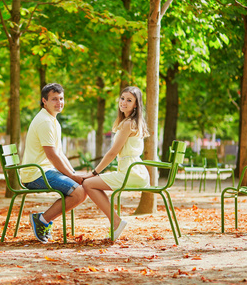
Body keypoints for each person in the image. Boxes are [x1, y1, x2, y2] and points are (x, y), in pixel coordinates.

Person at [20, 83, 87, 243]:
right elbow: (52, 155)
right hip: (35, 174)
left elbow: (59, 153)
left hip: (45, 171)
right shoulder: (45, 122)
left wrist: (74, 174)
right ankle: (41, 220)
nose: (59, 102)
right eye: (54, 99)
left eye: (61, 98)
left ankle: (42, 219)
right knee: (78, 193)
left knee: (81, 190)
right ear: (44, 101)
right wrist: (71, 175)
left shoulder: (52, 120)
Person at [82, 86, 150, 240]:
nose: (124, 102)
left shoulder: (128, 124)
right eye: (122, 98)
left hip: (131, 173)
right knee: (90, 184)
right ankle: (116, 221)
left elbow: (113, 153)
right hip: (136, 171)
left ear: (136, 105)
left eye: (129, 100)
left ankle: (116, 221)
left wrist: (94, 172)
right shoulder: (132, 122)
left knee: (88, 183)